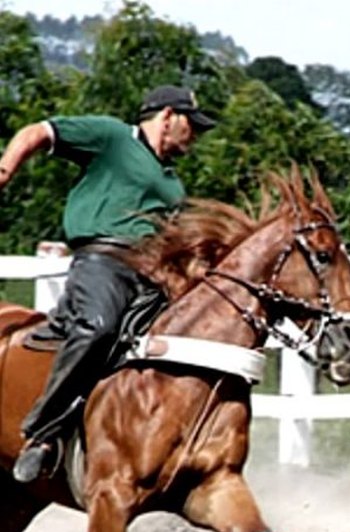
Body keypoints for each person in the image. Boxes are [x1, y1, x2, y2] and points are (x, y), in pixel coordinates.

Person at [0, 85, 216, 482]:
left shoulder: (173, 185)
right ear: (168, 116)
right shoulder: (113, 137)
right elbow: (38, 132)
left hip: (152, 276)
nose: (196, 136)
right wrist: (4, 170)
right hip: (103, 261)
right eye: (192, 125)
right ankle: (41, 433)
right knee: (98, 326)